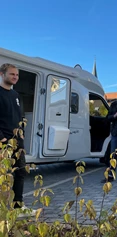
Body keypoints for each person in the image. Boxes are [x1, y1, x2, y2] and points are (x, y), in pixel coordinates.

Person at [0, 63, 35, 216]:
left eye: (17, 75)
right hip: (3, 143)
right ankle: (3, 209)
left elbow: (21, 117)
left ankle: (17, 207)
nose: (15, 77)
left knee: (20, 173)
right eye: (12, 74)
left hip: (17, 143)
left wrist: (22, 134)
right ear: (2, 74)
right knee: (4, 176)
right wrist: (1, 138)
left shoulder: (16, 96)